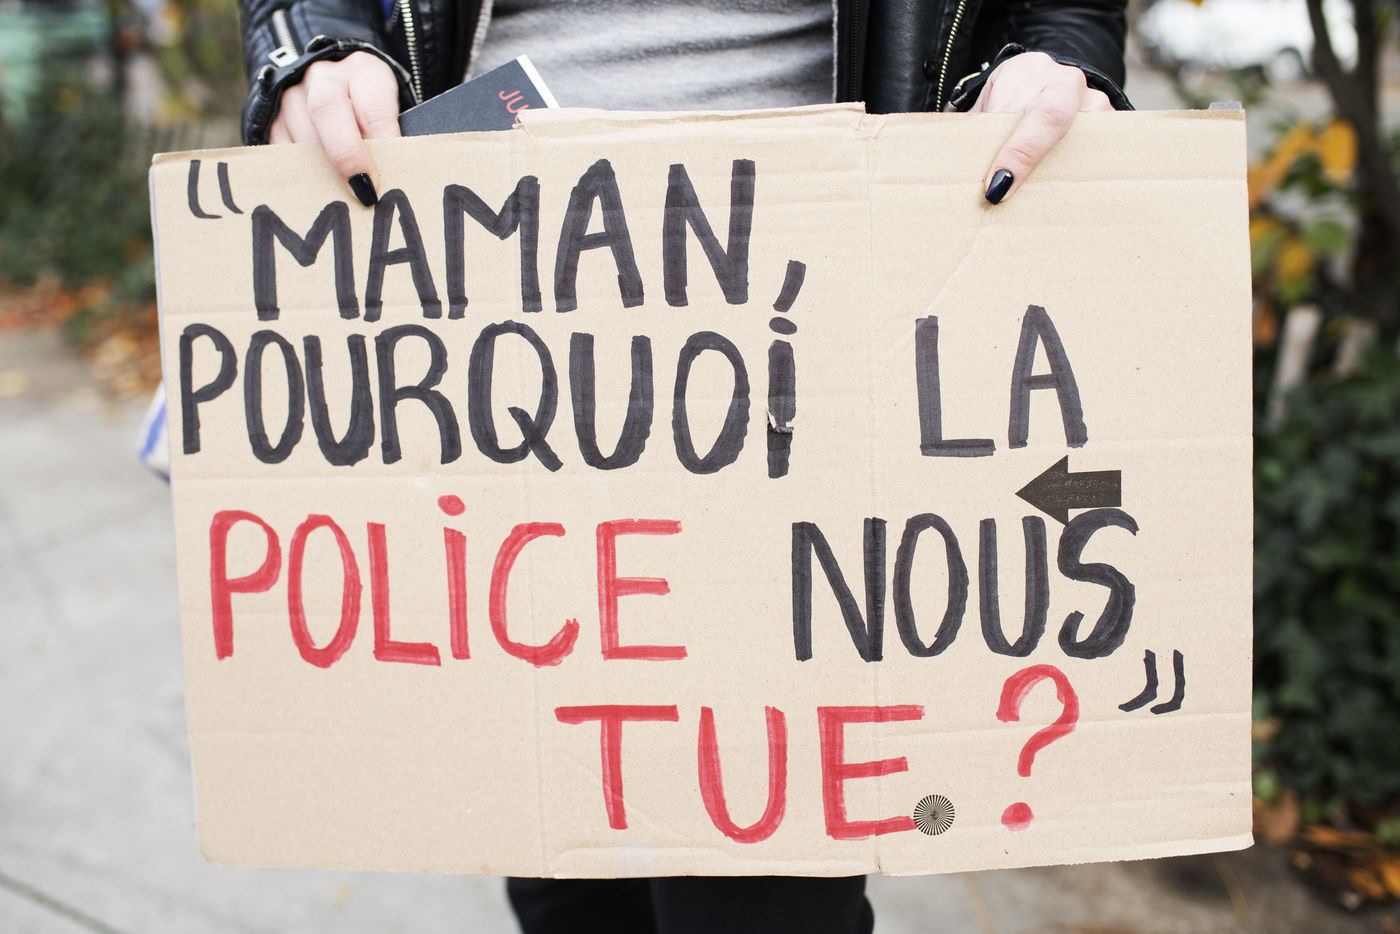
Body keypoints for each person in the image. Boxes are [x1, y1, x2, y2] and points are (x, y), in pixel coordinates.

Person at [233, 2, 1129, 930]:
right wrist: (315, 43)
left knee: (758, 890)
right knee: (567, 876)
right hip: (485, 299)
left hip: (793, 331)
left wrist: (1053, 58)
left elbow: (1065, 12)